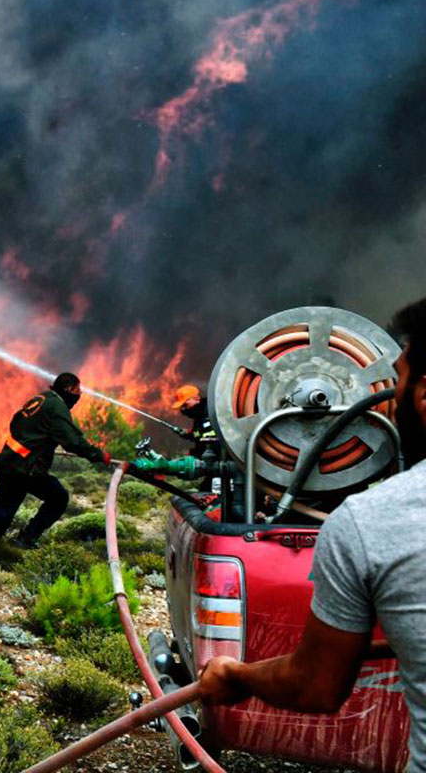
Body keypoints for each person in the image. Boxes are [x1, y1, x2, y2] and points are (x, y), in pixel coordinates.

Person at [199, 296, 426, 772]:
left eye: (399, 376)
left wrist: (236, 675)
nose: (387, 392)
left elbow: (315, 684)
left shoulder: (372, 523)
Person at [0, 372, 110, 562]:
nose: (78, 396)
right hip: (25, 469)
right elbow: (73, 441)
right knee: (58, 497)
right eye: (77, 391)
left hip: (10, 463)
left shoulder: (41, 399)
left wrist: (39, 442)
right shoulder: (57, 406)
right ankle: (25, 539)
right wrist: (98, 455)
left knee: (2, 515)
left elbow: (16, 422)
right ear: (69, 389)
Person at [171, 384, 221, 494]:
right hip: (213, 468)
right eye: (181, 407)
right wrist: (189, 434)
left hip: (223, 466)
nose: (183, 409)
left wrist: (193, 455)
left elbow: (211, 441)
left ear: (196, 399)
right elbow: (200, 435)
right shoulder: (199, 416)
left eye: (185, 404)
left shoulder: (210, 411)